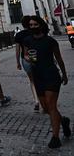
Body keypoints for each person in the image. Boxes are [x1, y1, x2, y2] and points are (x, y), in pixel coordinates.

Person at [23, 16, 70, 149]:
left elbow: (59, 59)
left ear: (41, 25)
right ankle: (63, 121)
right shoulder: (27, 40)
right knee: (45, 108)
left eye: (35, 24)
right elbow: (25, 54)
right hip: (38, 76)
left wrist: (64, 75)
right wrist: (28, 58)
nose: (33, 27)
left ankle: (55, 138)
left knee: (51, 106)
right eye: (30, 25)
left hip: (51, 75)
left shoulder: (50, 41)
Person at [14, 15, 40, 112]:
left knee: (32, 80)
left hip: (25, 59)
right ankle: (43, 99)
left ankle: (36, 100)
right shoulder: (34, 32)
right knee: (40, 78)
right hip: (37, 58)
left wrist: (17, 62)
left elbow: (17, 50)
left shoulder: (19, 35)